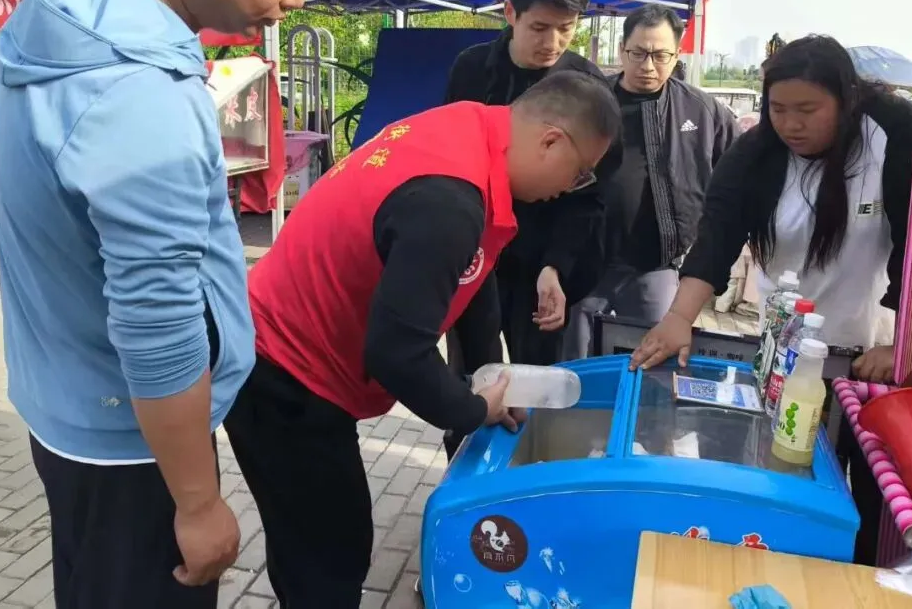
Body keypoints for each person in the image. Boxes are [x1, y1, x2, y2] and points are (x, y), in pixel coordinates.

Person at [0, 0, 338, 608]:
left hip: (68, 407)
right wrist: (199, 502)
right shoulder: (137, 97)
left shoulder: (70, 5)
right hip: (135, 449)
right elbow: (159, 324)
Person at [223, 71, 621, 607]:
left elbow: (472, 275)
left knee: (321, 543)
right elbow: (396, 353)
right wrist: (471, 409)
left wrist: (489, 379)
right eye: (579, 173)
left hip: (295, 353)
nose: (569, 189)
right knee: (327, 556)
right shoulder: (449, 199)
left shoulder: (471, 131)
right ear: (551, 140)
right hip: (283, 371)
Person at [628, 35, 912, 565]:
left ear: (846, 100)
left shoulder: (892, 135)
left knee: (871, 498)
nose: (791, 124)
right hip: (788, 351)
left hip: (871, 357)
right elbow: (716, 237)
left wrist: (901, 339)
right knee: (789, 478)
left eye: (808, 109)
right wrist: (678, 318)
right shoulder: (755, 153)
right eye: (779, 109)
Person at [443, 0, 621, 370]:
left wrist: (556, 266)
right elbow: (451, 167)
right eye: (539, 27)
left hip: (541, 268)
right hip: (475, 257)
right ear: (511, 12)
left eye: (566, 28)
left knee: (537, 378)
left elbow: (592, 195)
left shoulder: (588, 88)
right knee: (471, 376)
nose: (552, 42)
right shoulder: (471, 71)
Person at [564, 4, 738, 360]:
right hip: (587, 263)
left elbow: (738, 170)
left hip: (655, 266)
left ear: (677, 54)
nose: (648, 65)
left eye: (660, 55)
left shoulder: (702, 111)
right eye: (638, 53)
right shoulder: (591, 102)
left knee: (655, 360)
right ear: (621, 50)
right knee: (574, 362)